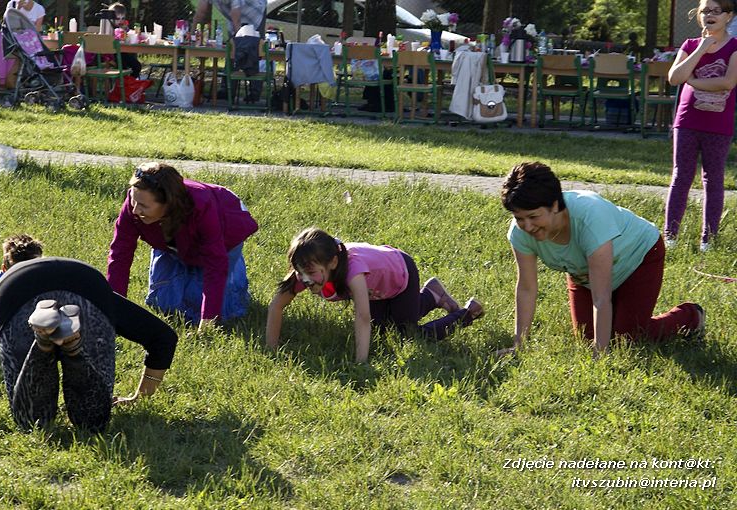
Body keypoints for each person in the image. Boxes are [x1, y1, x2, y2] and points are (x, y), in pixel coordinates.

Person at [0, 257, 178, 432]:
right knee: (92, 422)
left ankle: (42, 343)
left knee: (32, 421)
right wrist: (139, 397)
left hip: (17, 290)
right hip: (88, 286)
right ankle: (73, 347)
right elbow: (163, 337)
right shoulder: (96, 289)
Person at [500, 162, 705, 358]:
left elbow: (601, 297)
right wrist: (519, 345)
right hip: (586, 274)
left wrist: (600, 355)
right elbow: (527, 288)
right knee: (586, 338)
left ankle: (690, 316)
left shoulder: (590, 216)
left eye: (533, 217)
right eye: (519, 218)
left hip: (638, 258)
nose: (527, 226)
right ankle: (621, 314)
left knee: (625, 340)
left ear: (554, 205)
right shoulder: (520, 233)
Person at [266, 227, 485, 363]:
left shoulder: (353, 272)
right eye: (300, 272)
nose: (305, 280)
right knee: (382, 331)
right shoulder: (306, 269)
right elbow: (276, 306)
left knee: (407, 335)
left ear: (332, 262)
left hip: (401, 273)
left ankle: (468, 312)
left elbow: (362, 317)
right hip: (378, 290)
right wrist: (272, 349)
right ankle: (432, 294)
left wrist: (360, 362)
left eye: (310, 272)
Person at [107, 162, 258, 325]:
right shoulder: (135, 202)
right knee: (162, 304)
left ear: (168, 203)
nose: (135, 210)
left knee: (216, 308)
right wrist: (114, 309)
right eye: (133, 200)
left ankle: (235, 272)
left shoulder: (201, 205)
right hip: (172, 243)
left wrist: (207, 322)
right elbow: (120, 255)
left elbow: (215, 264)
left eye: (143, 205)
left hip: (223, 240)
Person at [666, 0, 737, 252]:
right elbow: (675, 77)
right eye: (705, 10)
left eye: (717, 11)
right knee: (681, 176)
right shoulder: (690, 45)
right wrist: (702, 49)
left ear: (728, 16)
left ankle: (709, 240)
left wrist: (694, 82)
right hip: (687, 121)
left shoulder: (735, 47)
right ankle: (670, 237)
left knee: (713, 179)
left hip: (718, 124)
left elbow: (727, 82)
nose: (710, 15)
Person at [192, 0, 268, 102]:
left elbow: (235, 16)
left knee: (255, 52)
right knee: (231, 51)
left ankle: (254, 93)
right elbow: (201, 13)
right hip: (235, 17)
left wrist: (239, 41)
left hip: (255, 11)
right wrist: (192, 35)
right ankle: (227, 91)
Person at [108, 2, 141, 77]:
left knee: (135, 64)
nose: (120, 21)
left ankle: (130, 81)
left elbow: (127, 36)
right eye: (117, 19)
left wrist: (127, 31)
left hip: (122, 52)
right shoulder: (109, 27)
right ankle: (126, 81)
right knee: (134, 66)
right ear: (110, 18)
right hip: (112, 54)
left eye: (122, 18)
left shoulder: (122, 27)